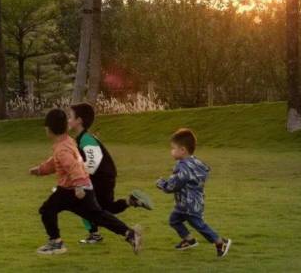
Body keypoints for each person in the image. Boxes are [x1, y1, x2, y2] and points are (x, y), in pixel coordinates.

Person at [30, 108, 142, 255]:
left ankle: (56, 243)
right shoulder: (67, 142)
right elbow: (56, 163)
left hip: (72, 190)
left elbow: (73, 166)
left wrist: (79, 185)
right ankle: (130, 234)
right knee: (97, 216)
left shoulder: (62, 149)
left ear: (49, 129)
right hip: (80, 188)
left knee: (47, 210)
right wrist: (41, 170)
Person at [67, 102, 153, 244]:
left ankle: (96, 234)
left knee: (87, 205)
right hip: (103, 176)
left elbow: (93, 162)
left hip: (102, 177)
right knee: (105, 208)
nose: (68, 120)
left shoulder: (86, 138)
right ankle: (131, 201)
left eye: (70, 117)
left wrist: (80, 178)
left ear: (79, 120)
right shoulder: (81, 138)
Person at [156, 128, 231, 257]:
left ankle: (220, 242)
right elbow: (200, 174)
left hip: (189, 205)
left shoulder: (183, 167)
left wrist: (162, 184)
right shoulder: (195, 162)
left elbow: (175, 184)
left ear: (182, 150)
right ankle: (189, 240)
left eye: (173, 148)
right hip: (187, 203)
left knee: (199, 225)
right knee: (174, 220)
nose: (171, 151)